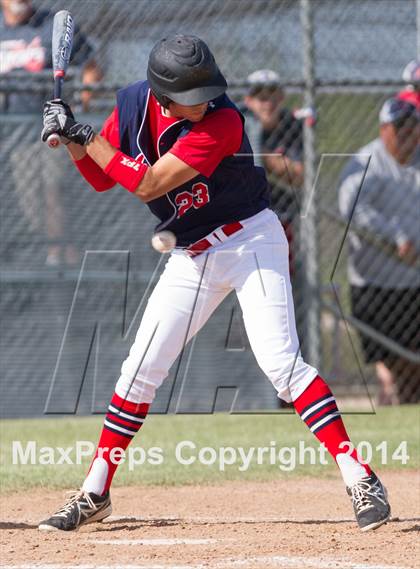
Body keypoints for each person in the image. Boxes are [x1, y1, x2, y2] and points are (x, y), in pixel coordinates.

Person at [38, 34, 390, 533]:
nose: (203, 103)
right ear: (162, 96)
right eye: (191, 98)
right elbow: (100, 176)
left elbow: (148, 183)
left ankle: (361, 476)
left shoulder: (224, 120)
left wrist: (81, 131)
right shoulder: (133, 104)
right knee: (138, 371)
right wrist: (74, 141)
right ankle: (95, 491)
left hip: (250, 241)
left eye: (207, 91)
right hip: (192, 254)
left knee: (282, 366)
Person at [0, 0, 98, 265]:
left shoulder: (48, 25)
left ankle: (62, 253)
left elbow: (90, 65)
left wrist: (83, 101)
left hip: (53, 124)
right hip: (15, 131)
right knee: (29, 199)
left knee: (54, 187)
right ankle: (51, 246)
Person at [338, 98, 420, 405]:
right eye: (400, 128)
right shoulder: (367, 162)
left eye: (413, 128)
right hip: (374, 285)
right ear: (384, 130)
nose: (408, 135)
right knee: (392, 370)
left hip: (414, 284)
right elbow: (353, 209)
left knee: (412, 373)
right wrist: (395, 238)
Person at [242, 69, 303, 273]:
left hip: (281, 218)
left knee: (280, 273)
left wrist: (259, 152)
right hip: (241, 220)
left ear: (282, 98)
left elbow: (298, 175)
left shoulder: (291, 126)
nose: (268, 104)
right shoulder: (237, 125)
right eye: (261, 98)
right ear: (249, 100)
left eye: (273, 97)